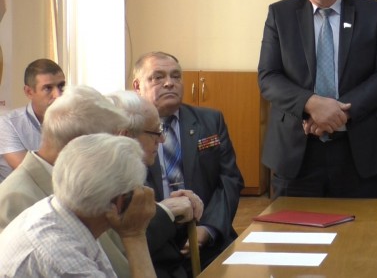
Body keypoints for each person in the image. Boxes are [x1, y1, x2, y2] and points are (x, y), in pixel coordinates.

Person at [257, 0, 377, 198]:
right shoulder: (280, 14)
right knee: (291, 225)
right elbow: (268, 77)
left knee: (360, 226)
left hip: (358, 150)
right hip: (296, 149)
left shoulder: (373, 13)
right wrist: (312, 104)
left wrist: (336, 113)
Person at [0, 84, 134, 277]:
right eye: (110, 144)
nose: (115, 155)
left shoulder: (86, 185)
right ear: (78, 147)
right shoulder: (13, 198)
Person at [132, 51, 243, 268]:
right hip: (153, 245)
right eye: (158, 77)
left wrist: (209, 229)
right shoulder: (127, 130)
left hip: (210, 239)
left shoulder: (210, 120)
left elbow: (229, 180)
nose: (169, 83)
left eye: (176, 76)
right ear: (137, 86)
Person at [0, 133, 157, 277]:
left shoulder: (53, 210)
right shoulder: (63, 260)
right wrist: (135, 235)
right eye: (138, 191)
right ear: (121, 201)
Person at [108, 90, 204, 278]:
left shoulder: (132, 171)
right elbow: (123, 244)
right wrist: (167, 211)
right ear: (126, 136)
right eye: (156, 132)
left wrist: (183, 210)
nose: (162, 139)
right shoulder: (105, 183)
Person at [0, 58, 65, 182]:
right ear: (29, 92)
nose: (58, 95)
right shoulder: (7, 124)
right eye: (48, 88)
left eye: (61, 86)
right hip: (23, 194)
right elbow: (33, 174)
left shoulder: (71, 119)